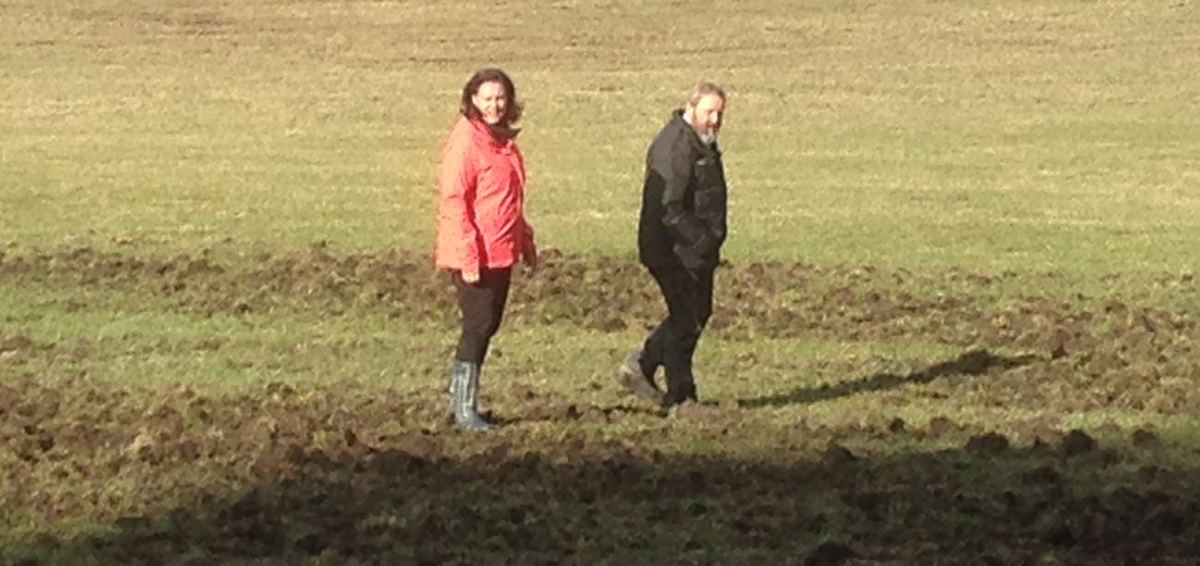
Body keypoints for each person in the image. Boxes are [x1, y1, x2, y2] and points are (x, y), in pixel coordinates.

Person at [616, 82, 729, 412]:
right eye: (709, 111)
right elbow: (670, 208)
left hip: (695, 250)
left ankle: (643, 364)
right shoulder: (675, 147)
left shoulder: (699, 142)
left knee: (696, 313)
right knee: (686, 319)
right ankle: (682, 396)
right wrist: (701, 240)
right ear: (690, 107)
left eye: (720, 113)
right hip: (672, 250)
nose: (715, 120)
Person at [434, 68, 537, 431]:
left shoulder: (503, 140)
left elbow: (509, 198)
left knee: (488, 324)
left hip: (500, 248)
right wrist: (467, 253)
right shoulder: (466, 141)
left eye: (500, 98)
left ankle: (463, 400)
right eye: (488, 98)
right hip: (474, 251)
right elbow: (454, 199)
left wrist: (524, 238)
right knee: (477, 325)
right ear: (473, 100)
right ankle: (463, 409)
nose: (495, 105)